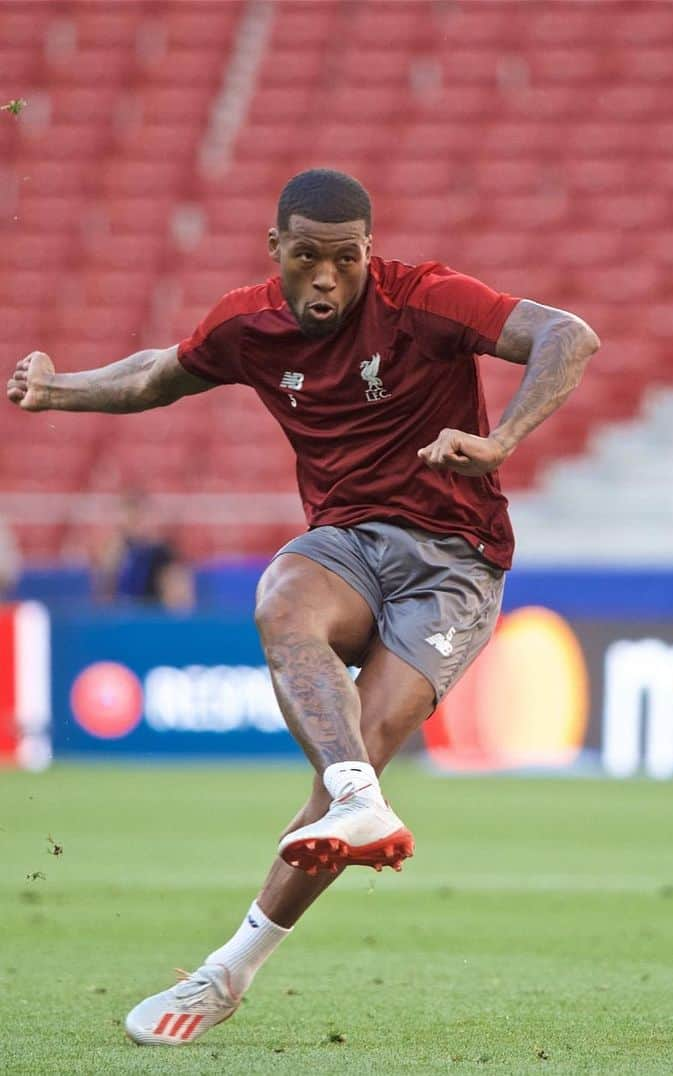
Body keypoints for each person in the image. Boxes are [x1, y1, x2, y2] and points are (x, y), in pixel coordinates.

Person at [6, 168, 600, 1045]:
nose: (328, 278)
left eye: (348, 259)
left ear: (371, 251)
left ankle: (229, 970)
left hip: (456, 562)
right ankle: (357, 797)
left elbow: (570, 334)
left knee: (357, 753)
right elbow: (157, 377)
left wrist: (501, 438)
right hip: (348, 542)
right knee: (284, 599)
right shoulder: (249, 325)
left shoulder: (426, 300)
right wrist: (57, 391)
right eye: (310, 258)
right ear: (275, 249)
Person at [96, 490, 194, 611]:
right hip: (121, 618)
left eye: (140, 517)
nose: (137, 523)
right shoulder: (118, 549)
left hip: (150, 620)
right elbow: (103, 592)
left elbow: (180, 600)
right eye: (131, 518)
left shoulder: (163, 553)